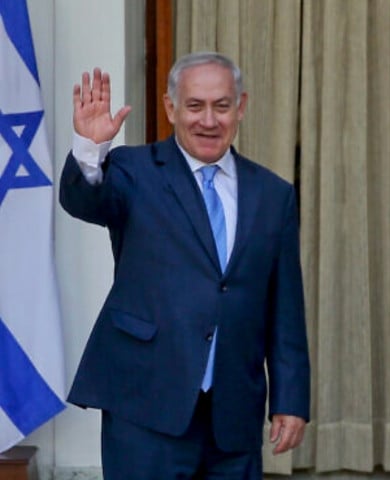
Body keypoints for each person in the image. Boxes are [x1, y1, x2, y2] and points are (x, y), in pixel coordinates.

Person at [59, 51, 310, 479]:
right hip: (146, 406)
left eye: (221, 106)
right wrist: (90, 149)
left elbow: (284, 308)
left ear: (241, 107)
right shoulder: (132, 171)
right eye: (195, 106)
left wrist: (290, 399)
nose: (208, 120)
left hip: (233, 416)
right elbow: (85, 200)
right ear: (171, 108)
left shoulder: (273, 194)